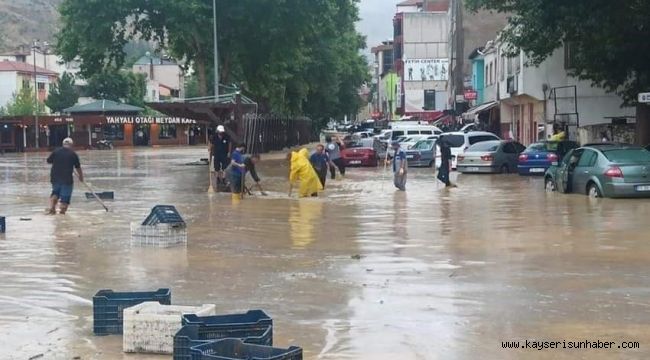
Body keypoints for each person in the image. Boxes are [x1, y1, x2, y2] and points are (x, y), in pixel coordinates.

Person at [46, 137, 83, 215]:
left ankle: (52, 208)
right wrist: (81, 177)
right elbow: (78, 167)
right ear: (71, 145)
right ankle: (62, 214)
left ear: (63, 144)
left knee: (55, 192)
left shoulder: (56, 151)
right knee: (65, 197)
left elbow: (48, 161)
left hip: (55, 177)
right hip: (67, 179)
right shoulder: (73, 154)